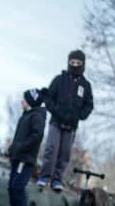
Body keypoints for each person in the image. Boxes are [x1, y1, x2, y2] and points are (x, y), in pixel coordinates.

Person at [36, 50, 93, 191]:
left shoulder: (85, 86)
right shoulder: (59, 80)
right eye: (72, 62)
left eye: (78, 63)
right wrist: (55, 109)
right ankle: (44, 176)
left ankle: (57, 179)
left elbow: (89, 105)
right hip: (56, 122)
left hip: (71, 126)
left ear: (83, 64)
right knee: (51, 148)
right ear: (68, 63)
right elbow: (48, 97)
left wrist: (79, 115)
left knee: (65, 153)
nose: (75, 65)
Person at [5, 89, 46, 206]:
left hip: (25, 158)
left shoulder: (37, 116)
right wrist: (12, 149)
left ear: (30, 101)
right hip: (18, 157)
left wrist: (20, 147)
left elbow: (36, 136)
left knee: (17, 186)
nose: (22, 101)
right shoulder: (26, 115)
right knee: (11, 186)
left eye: (25, 99)